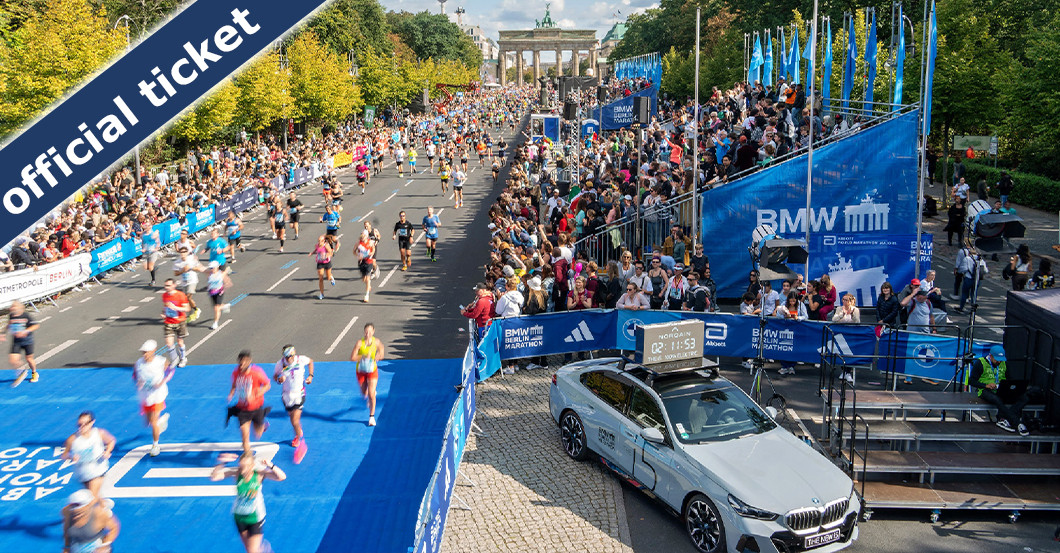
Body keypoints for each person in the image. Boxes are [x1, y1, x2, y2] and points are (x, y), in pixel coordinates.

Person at [210, 451, 286, 553]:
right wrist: (222, 463)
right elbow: (214, 477)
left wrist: (270, 465)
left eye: (247, 467)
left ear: (252, 466)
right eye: (242, 466)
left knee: (252, 551)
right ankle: (264, 550)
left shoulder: (259, 474)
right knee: (249, 549)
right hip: (239, 517)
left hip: (255, 518)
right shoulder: (237, 474)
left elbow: (282, 477)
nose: (244, 470)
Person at [967, 346, 1030, 436]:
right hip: (985, 390)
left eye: (1000, 359)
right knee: (996, 399)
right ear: (991, 356)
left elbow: (1010, 379)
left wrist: (1011, 387)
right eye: (997, 359)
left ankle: (1004, 419)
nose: (999, 362)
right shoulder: (980, 363)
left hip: (1001, 388)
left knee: (1024, 398)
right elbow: (971, 381)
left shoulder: (1004, 363)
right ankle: (1017, 423)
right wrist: (985, 385)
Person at [62, 411, 116, 499]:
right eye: (79, 425)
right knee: (95, 498)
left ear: (92, 422)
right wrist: (71, 457)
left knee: (91, 498)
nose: (82, 427)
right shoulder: (72, 439)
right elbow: (64, 455)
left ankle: (101, 509)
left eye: (86, 424)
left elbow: (111, 441)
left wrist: (107, 451)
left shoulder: (99, 433)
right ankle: (104, 509)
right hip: (83, 473)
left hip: (98, 470)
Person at [227, 351, 272, 455]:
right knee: (244, 437)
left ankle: (263, 424)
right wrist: (231, 394)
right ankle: (248, 456)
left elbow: (267, 385)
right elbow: (234, 385)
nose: (241, 365)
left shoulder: (256, 373)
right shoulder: (236, 372)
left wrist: (257, 394)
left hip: (256, 407)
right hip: (243, 409)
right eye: (240, 363)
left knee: (257, 435)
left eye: (244, 363)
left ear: (249, 362)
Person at [133, 340, 171, 456]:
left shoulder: (161, 361)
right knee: (148, 422)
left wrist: (162, 381)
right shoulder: (139, 363)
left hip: (158, 395)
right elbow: (135, 375)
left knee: (153, 422)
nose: (145, 354)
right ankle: (161, 421)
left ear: (153, 351)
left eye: (147, 352)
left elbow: (171, 370)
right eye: (143, 352)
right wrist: (137, 382)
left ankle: (155, 445)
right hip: (145, 395)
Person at [273, 345, 314, 448]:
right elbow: (275, 376)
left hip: (299, 394)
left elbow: (311, 362)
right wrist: (279, 379)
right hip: (287, 396)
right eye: (286, 357)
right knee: (292, 419)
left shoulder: (301, 359)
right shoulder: (280, 364)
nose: (288, 359)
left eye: (290, 356)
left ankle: (298, 437)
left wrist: (310, 376)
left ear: (293, 354)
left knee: (295, 420)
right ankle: (297, 432)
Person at [350, 323, 384, 427]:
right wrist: (363, 357)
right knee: (364, 393)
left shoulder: (376, 342)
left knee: (371, 394)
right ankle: (369, 395)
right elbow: (352, 358)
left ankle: (371, 417)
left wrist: (378, 356)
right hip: (361, 370)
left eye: (369, 332)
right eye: (366, 332)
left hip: (372, 370)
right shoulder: (360, 343)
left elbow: (381, 352)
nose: (367, 334)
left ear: (373, 332)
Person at [4, 300, 40, 386]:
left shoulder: (26, 316)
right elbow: (9, 324)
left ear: (19, 307)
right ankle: (22, 371)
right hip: (16, 341)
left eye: (14, 307)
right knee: (13, 359)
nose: (12, 308)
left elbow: (36, 325)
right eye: (12, 307)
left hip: (27, 341)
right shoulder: (11, 316)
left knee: (29, 359)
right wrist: (3, 333)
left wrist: (26, 331)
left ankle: (34, 373)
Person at [160, 278, 191, 368]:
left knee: (180, 342)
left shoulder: (180, 295)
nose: (167, 287)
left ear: (174, 285)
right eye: (166, 286)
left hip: (180, 321)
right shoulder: (165, 296)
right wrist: (163, 313)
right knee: (169, 343)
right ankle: (174, 359)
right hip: (169, 321)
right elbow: (165, 307)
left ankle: (183, 358)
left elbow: (187, 308)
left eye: (169, 285)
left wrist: (176, 308)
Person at [776, 293, 808, 375]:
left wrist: (798, 318)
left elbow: (806, 316)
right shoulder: (784, 304)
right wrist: (785, 316)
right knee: (784, 346)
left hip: (796, 329)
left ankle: (791, 366)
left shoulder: (801, 305)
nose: (792, 302)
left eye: (794, 301)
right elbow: (778, 314)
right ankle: (784, 366)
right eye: (790, 301)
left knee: (794, 347)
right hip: (785, 328)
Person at [173, 247, 203, 323]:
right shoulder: (177, 262)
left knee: (188, 297)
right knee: (185, 299)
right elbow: (175, 273)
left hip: (192, 281)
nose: (183, 253)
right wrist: (182, 270)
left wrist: (191, 268)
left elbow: (199, 268)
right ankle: (191, 312)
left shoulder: (191, 260)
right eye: (181, 252)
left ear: (187, 253)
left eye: (184, 252)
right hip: (184, 282)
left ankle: (196, 310)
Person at [957, 249, 989, 313]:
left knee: (964, 293)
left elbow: (964, 269)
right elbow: (986, 270)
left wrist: (960, 272)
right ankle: (973, 309)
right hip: (977, 280)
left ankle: (961, 307)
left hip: (968, 278)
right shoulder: (981, 260)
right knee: (973, 295)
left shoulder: (967, 259)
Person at [206, 261, 233, 329]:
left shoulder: (221, 274)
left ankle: (215, 323)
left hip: (219, 292)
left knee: (216, 308)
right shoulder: (209, 274)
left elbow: (228, 281)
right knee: (215, 307)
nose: (212, 269)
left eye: (213, 268)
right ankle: (224, 306)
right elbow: (200, 268)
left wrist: (225, 287)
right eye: (211, 268)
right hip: (212, 292)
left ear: (217, 267)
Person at [311, 235, 335, 300]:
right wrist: (312, 253)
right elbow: (316, 250)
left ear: (324, 241)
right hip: (320, 263)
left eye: (320, 241)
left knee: (328, 277)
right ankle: (321, 293)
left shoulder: (326, 245)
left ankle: (331, 278)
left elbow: (331, 253)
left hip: (327, 263)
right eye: (318, 241)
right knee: (320, 278)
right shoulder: (317, 245)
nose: (319, 242)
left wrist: (327, 255)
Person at [356, 230, 376, 303]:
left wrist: (371, 253)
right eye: (362, 235)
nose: (363, 236)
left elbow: (373, 249)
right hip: (361, 262)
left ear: (367, 236)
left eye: (364, 235)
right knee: (364, 279)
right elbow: (354, 251)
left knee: (367, 279)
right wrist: (358, 255)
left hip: (369, 262)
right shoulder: (358, 243)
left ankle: (367, 295)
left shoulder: (370, 242)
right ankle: (368, 284)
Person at [140, 219, 162, 286]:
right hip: (145, 252)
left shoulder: (153, 234)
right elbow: (142, 242)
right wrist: (143, 248)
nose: (146, 227)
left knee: (150, 267)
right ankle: (154, 269)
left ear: (151, 226)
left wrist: (156, 249)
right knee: (145, 267)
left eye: (148, 225)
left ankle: (153, 280)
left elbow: (158, 242)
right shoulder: (142, 234)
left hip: (152, 252)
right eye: (145, 225)